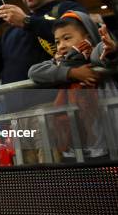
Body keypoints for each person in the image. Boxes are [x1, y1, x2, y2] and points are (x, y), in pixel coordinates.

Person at [0, 0, 87, 163]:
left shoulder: (66, 9)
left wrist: (27, 22)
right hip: (17, 115)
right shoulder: (12, 30)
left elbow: (78, 34)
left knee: (55, 176)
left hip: (52, 108)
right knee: (31, 182)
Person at [28, 11, 117, 159]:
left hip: (107, 131)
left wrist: (110, 49)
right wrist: (72, 73)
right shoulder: (61, 62)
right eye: (57, 41)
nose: (61, 46)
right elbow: (34, 72)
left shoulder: (94, 52)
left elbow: (100, 54)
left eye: (67, 38)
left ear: (87, 37)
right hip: (76, 137)